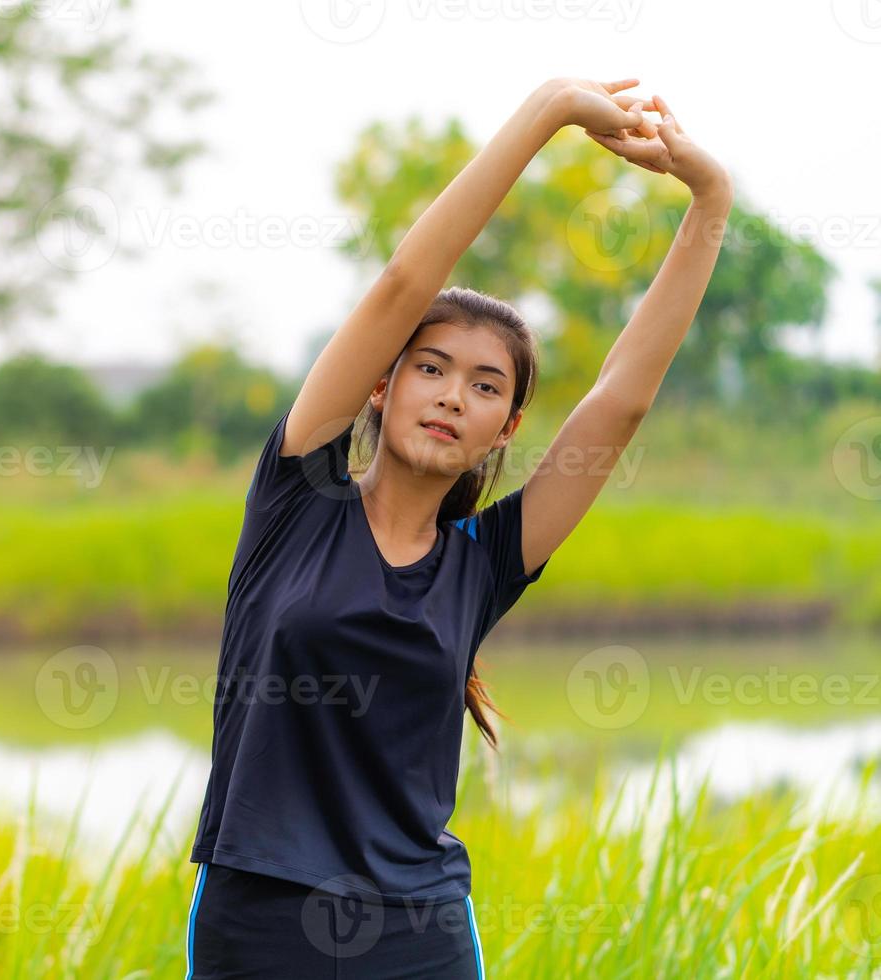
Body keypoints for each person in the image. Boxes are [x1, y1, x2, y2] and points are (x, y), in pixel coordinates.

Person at [183, 77, 732, 979]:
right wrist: (550, 107)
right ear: (381, 385)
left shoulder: (482, 563)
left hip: (419, 933)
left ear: (507, 427)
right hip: (258, 919)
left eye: (486, 386)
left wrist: (711, 197)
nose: (451, 395)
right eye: (430, 367)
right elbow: (405, 283)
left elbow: (621, 401)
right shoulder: (295, 499)